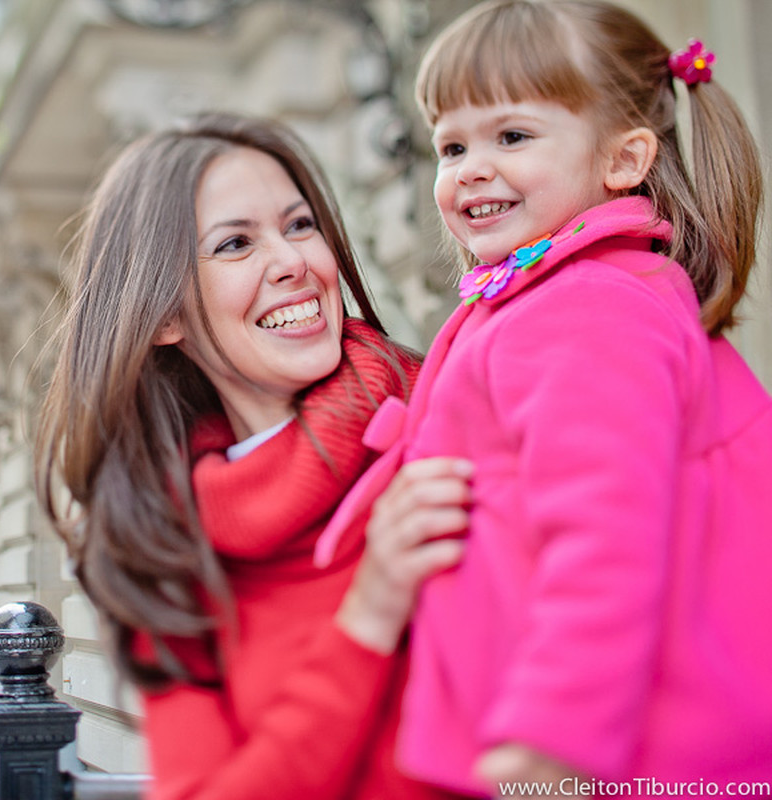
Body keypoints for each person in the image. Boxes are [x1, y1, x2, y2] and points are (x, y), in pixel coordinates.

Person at [316, 1, 772, 795]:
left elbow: (608, 531)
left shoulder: (584, 309)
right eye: (450, 145)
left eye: (512, 136)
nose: (470, 167)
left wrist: (553, 734)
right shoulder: (570, 296)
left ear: (624, 160)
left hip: (604, 756)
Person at [35, 112, 469, 800]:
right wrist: (369, 617)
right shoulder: (168, 554)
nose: (294, 261)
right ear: (164, 317)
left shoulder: (454, 417)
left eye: (300, 226)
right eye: (236, 243)